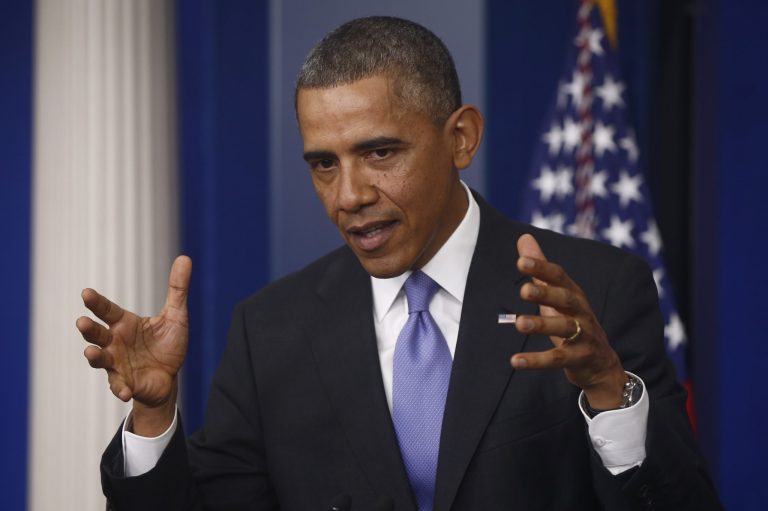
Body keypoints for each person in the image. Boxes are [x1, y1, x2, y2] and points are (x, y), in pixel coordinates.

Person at [77, 16, 721, 511]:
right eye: (323, 164)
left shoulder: (597, 291)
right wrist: (155, 418)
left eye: (380, 153)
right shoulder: (269, 328)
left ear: (460, 138)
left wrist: (610, 395)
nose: (349, 195)